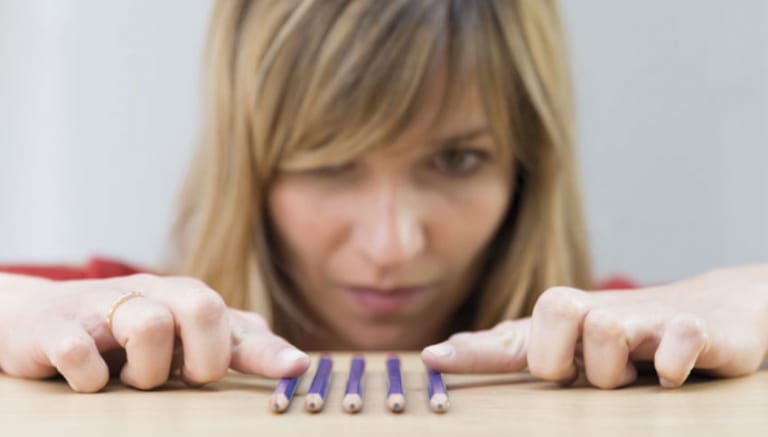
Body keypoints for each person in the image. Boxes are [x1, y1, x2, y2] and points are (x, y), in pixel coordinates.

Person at [0, 0, 766, 394]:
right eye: (330, 163)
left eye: (457, 159)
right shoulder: (107, 325)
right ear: (252, 165)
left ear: (527, 163)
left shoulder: (641, 344)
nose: (392, 243)